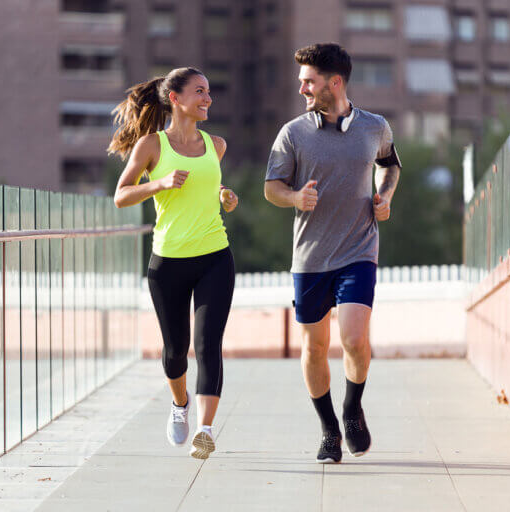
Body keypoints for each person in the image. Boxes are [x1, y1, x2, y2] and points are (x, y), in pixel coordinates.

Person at [264, 43, 401, 463]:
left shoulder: (375, 126)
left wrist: (384, 195)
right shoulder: (292, 134)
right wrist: (294, 199)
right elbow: (272, 188)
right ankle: (328, 430)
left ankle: (352, 408)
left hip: (359, 249)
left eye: (309, 81)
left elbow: (391, 164)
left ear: (334, 82)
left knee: (355, 339)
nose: (302, 87)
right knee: (315, 347)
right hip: (310, 257)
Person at [111, 67, 238, 460]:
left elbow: (206, 182)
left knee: (208, 343)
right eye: (200, 92)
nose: (208, 99)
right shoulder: (151, 145)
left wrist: (224, 194)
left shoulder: (216, 144)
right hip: (168, 262)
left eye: (210, 92)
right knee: (175, 350)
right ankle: (179, 404)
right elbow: (122, 195)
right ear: (176, 99)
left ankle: (205, 429)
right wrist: (159, 184)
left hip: (215, 255)